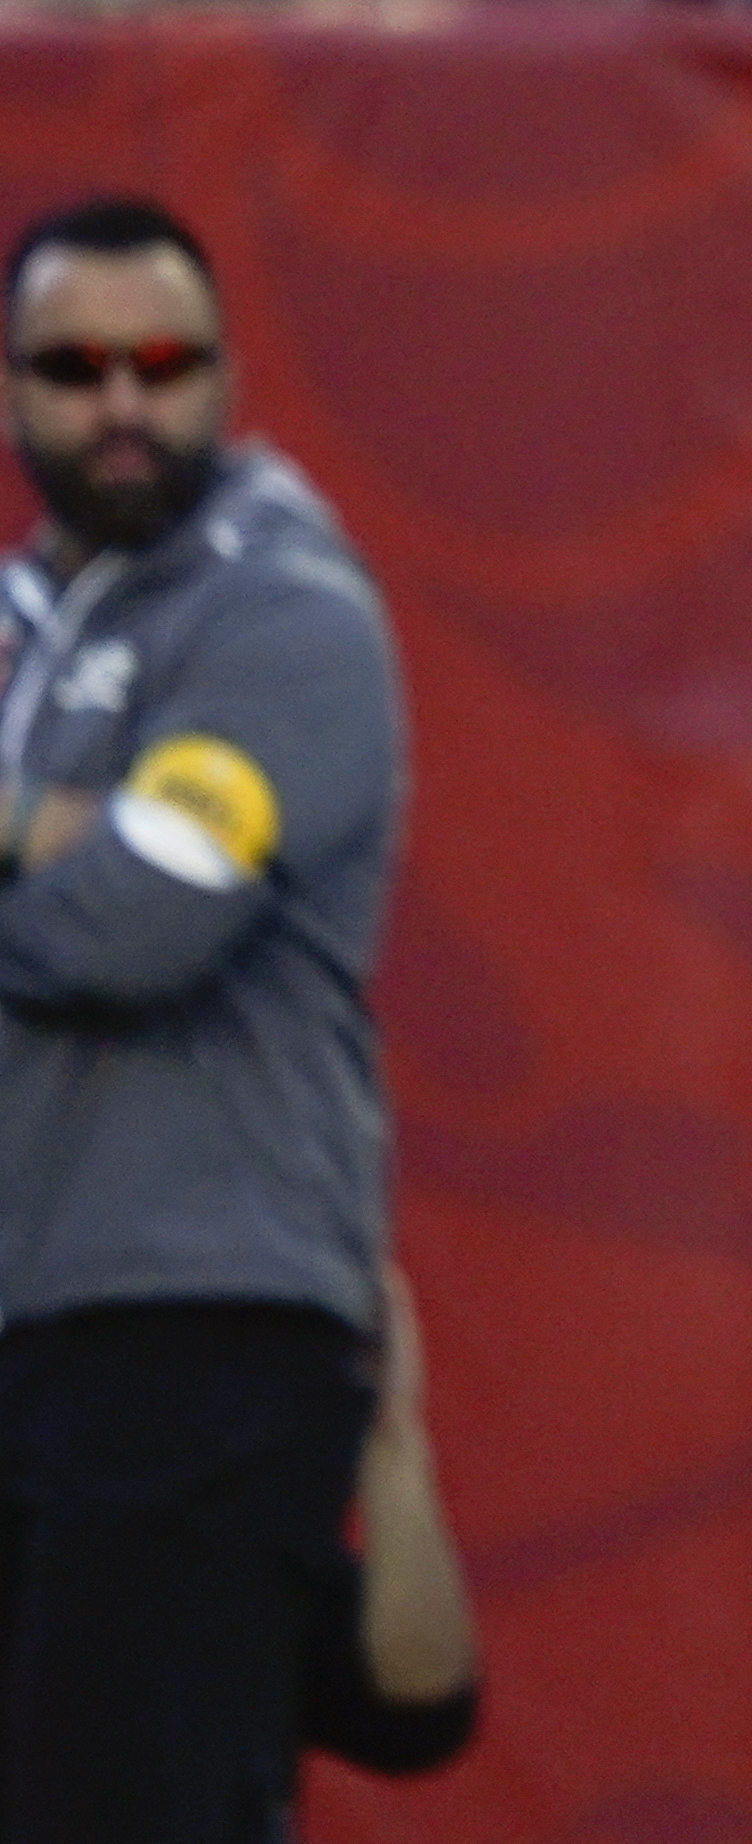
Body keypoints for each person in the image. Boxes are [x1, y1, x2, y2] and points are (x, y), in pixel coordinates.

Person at [0, 198, 413, 1844]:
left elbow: (143, 911)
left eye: (162, 363)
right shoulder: (27, 629)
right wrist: (52, 820)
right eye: (73, 364)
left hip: (198, 1320)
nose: (121, 402)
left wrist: (52, 834)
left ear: (230, 374)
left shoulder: (288, 606)